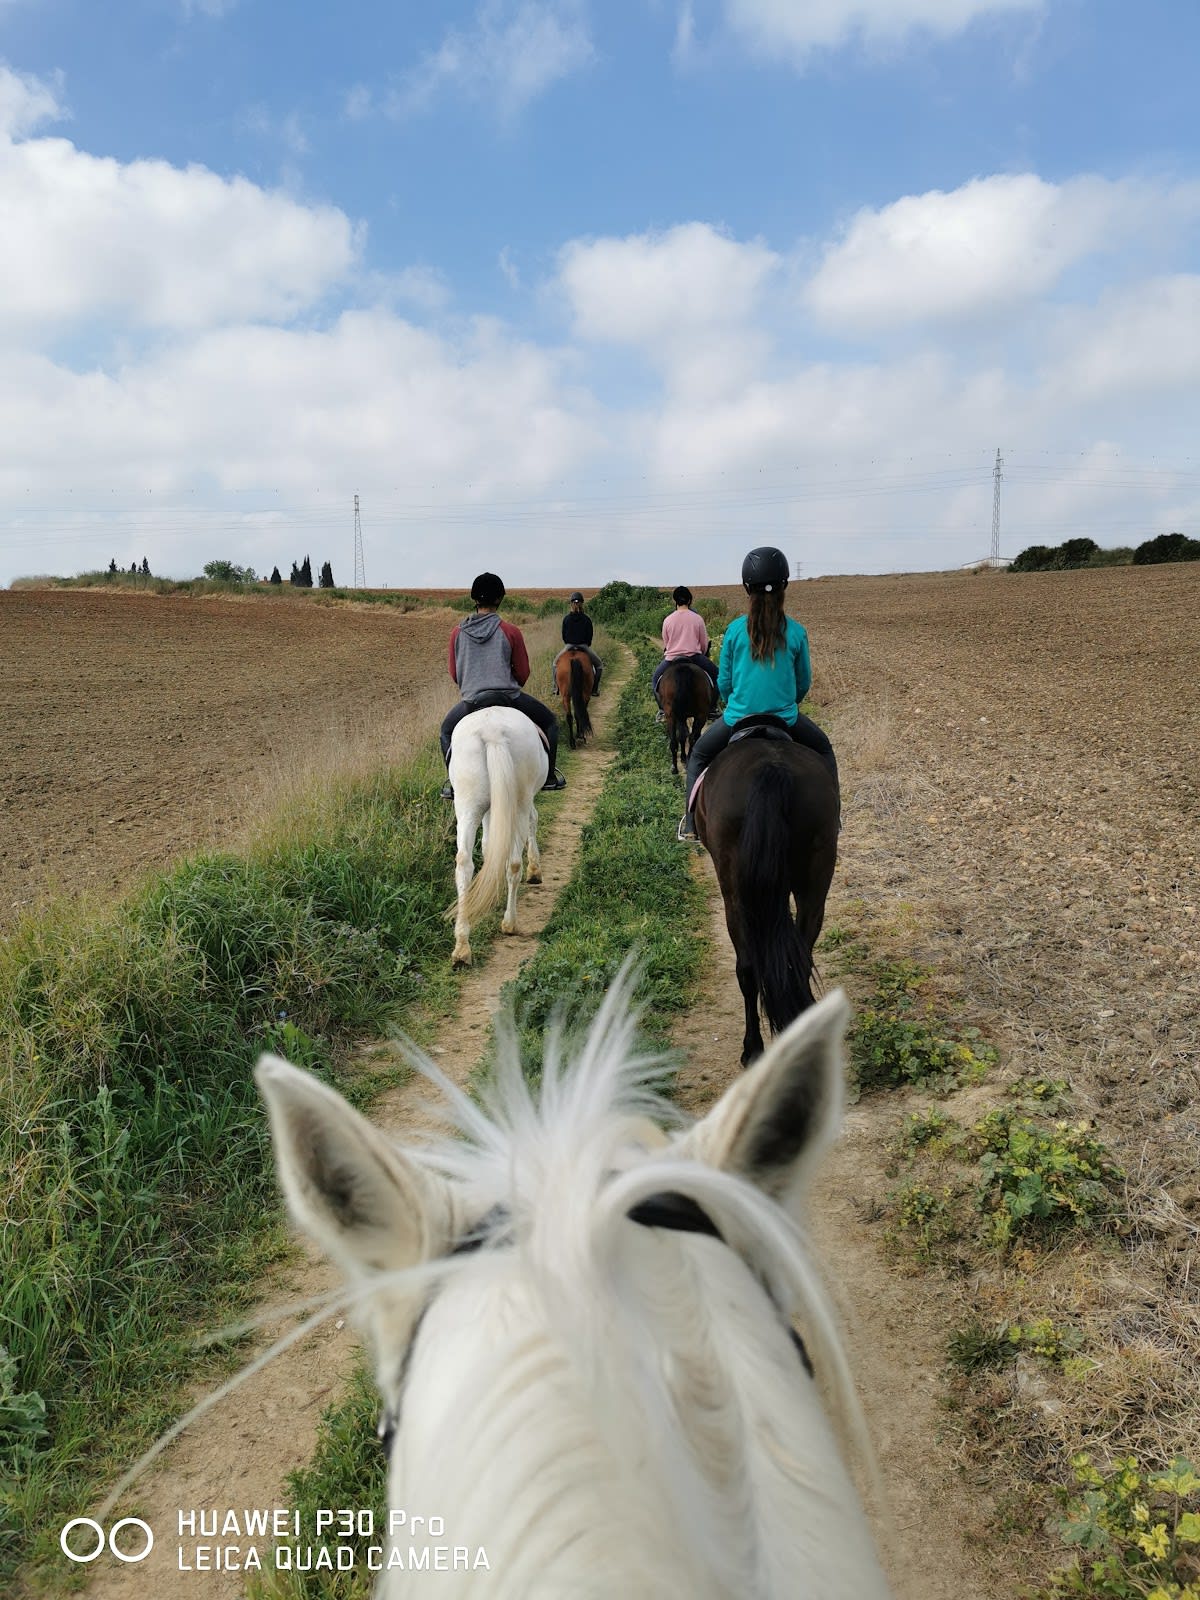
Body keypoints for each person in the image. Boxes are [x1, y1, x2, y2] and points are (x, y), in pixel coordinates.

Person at [677, 547, 838, 841]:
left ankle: (691, 826)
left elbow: (724, 683)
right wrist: (787, 705)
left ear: (746, 587)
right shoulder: (797, 632)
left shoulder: (736, 630)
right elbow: (803, 683)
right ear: (785, 586)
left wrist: (736, 703)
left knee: (698, 755)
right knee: (824, 749)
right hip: (786, 719)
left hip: (739, 718)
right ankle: (834, 819)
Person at [439, 572, 566, 799]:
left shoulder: (457, 633)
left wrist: (473, 684)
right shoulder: (510, 631)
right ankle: (549, 778)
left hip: (472, 701)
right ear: (499, 599)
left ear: (474, 599)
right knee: (550, 723)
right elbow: (523, 673)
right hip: (509, 697)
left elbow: (454, 673)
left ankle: (452, 782)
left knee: (446, 732)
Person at [651, 586, 719, 716]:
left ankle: (662, 710)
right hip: (694, 657)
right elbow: (704, 642)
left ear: (675, 601)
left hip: (672, 659)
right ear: (689, 600)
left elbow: (666, 643)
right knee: (718, 676)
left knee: (655, 680)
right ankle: (712, 708)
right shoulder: (697, 618)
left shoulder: (668, 620)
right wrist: (703, 652)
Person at [550, 592, 604, 695]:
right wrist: (586, 644)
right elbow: (590, 636)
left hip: (569, 646)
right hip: (584, 646)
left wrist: (569, 643)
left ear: (571, 604)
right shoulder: (587, 619)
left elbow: (564, 636)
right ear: (582, 603)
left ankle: (556, 688)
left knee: (554, 664)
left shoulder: (566, 619)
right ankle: (595, 690)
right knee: (599, 666)